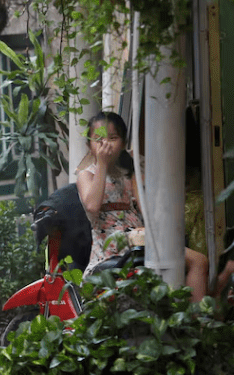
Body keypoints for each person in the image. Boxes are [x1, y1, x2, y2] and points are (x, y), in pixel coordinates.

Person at [76, 111, 219, 302]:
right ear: (89, 145)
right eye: (99, 139)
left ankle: (195, 324)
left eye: (113, 138)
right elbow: (92, 206)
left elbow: (147, 211)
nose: (106, 144)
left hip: (141, 238)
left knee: (199, 261)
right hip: (110, 246)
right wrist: (102, 163)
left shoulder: (130, 172)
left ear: (123, 144)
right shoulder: (87, 175)